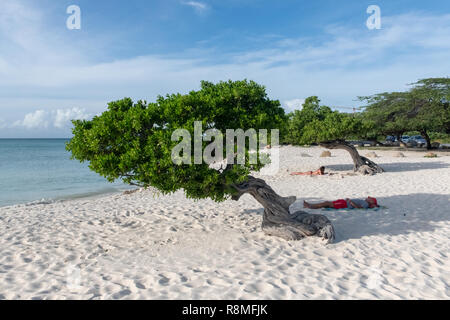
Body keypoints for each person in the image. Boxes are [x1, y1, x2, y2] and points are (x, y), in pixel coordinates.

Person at [303, 197, 379, 209]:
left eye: (370, 198)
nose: (368, 198)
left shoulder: (365, 204)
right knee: (326, 203)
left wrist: (350, 202)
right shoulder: (365, 202)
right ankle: (310, 205)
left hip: (345, 204)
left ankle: (309, 206)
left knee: (326, 203)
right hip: (344, 202)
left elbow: (359, 208)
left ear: (371, 201)